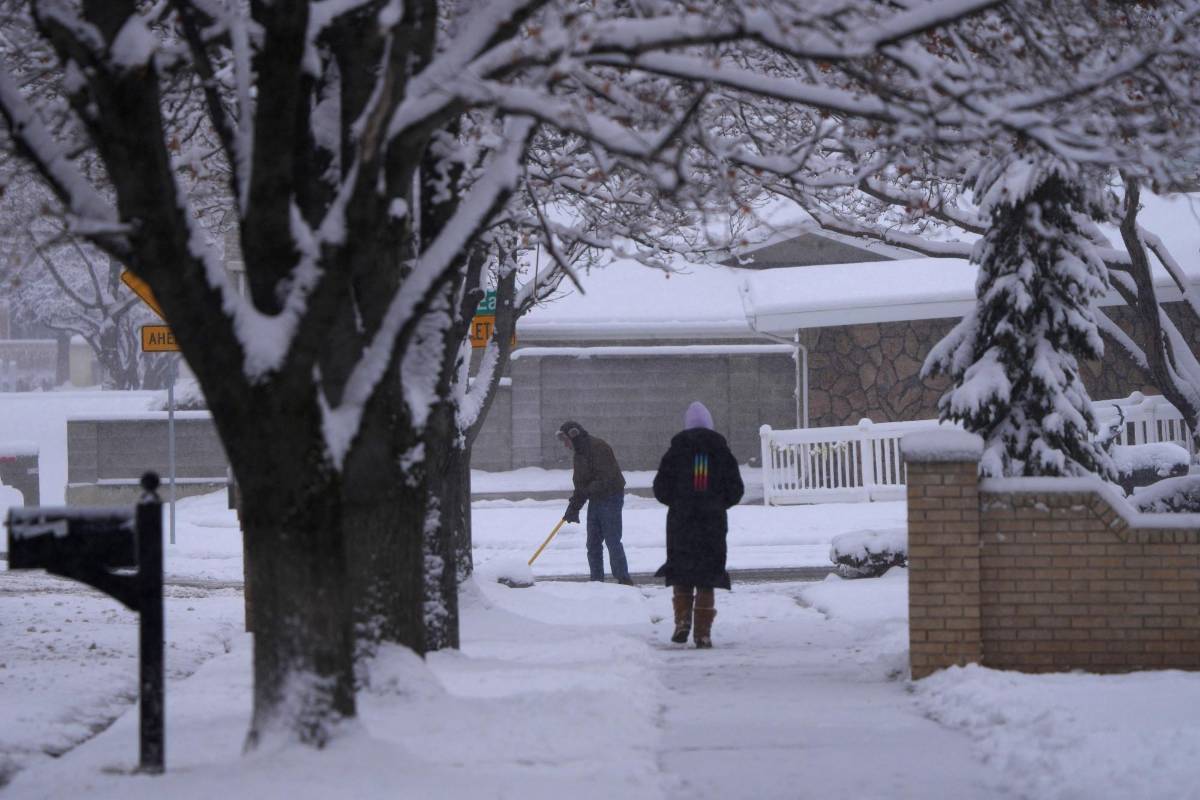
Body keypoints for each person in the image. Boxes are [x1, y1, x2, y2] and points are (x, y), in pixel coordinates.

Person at [652, 401, 744, 648]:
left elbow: (660, 489)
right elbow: (736, 490)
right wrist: (715, 503)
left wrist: (680, 502)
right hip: (711, 524)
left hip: (681, 524)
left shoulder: (675, 452)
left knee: (682, 572)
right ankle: (703, 633)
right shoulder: (722, 452)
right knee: (707, 576)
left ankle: (682, 622)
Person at [559, 420, 633, 585]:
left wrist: (587, 491)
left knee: (612, 539)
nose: (565, 445)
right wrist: (573, 508)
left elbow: (606, 478)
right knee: (593, 543)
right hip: (596, 499)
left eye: (566, 440)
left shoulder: (599, 447)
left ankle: (623, 579)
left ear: (574, 436)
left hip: (611, 497)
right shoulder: (579, 455)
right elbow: (580, 485)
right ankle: (596, 582)